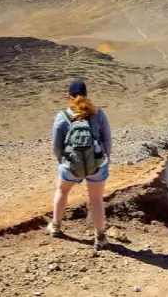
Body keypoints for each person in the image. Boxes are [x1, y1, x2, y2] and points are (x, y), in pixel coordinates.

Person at [47, 79, 112, 250]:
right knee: (96, 200)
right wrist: (106, 159)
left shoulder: (62, 116)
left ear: (69, 97)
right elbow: (107, 140)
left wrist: (63, 162)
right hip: (97, 164)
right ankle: (99, 238)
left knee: (62, 190)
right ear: (86, 96)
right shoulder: (98, 113)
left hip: (71, 165)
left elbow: (56, 145)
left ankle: (56, 226)